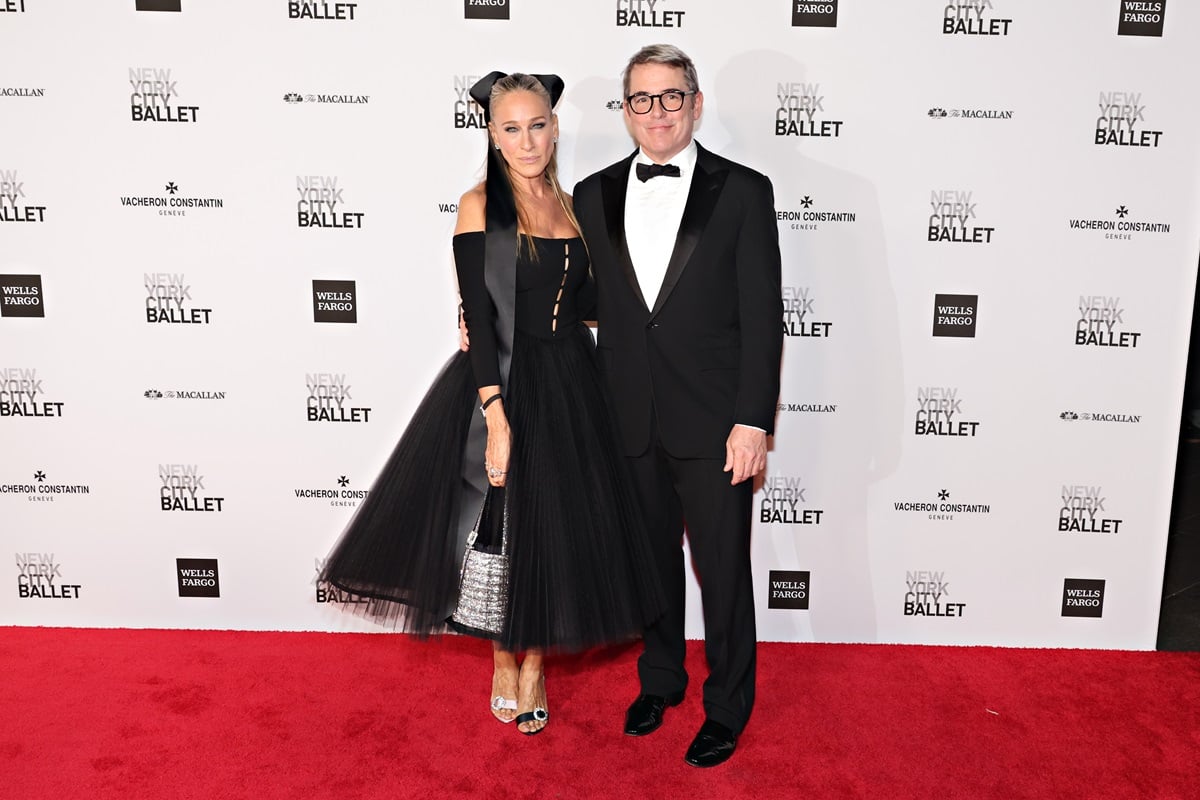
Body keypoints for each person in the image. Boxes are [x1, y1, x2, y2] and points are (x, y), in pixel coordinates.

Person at [320, 71, 664, 736]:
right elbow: (479, 316)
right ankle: (507, 661)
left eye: (538, 124)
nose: (527, 139)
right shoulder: (478, 204)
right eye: (512, 127)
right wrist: (496, 414)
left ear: (556, 127)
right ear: (492, 134)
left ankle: (530, 665)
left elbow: (588, 303)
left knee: (551, 534)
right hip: (504, 382)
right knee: (505, 534)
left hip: (573, 382)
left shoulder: (573, 206)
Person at [571, 44, 784, 767]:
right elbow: (589, 300)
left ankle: (727, 706)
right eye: (641, 99)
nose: (656, 113)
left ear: (695, 103)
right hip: (625, 413)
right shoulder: (591, 193)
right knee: (650, 564)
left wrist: (753, 421)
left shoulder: (745, 192)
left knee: (723, 572)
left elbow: (763, 316)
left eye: (670, 97)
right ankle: (660, 680)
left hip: (717, 422)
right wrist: (500, 312)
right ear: (625, 109)